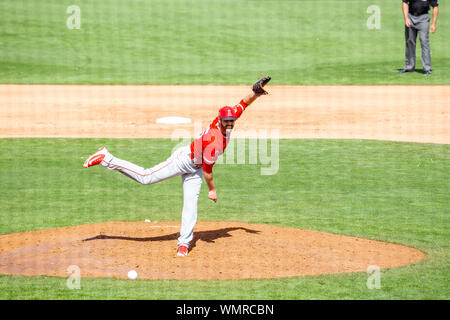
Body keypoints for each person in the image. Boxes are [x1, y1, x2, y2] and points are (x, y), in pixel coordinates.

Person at [83, 76, 271, 256]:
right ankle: (106, 158)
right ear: (220, 120)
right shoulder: (213, 140)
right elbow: (208, 172)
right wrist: (212, 190)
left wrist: (255, 92)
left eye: (232, 120)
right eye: (227, 121)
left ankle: (183, 243)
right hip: (184, 161)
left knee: (190, 205)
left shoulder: (227, 119)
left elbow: (243, 104)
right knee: (146, 178)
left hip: (195, 168)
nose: (230, 123)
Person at [399, 0, 439, 75]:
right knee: (409, 42)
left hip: (424, 18)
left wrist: (433, 24)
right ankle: (409, 67)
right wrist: (406, 18)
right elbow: (404, 2)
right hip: (410, 16)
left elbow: (435, 7)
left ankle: (427, 69)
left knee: (424, 42)